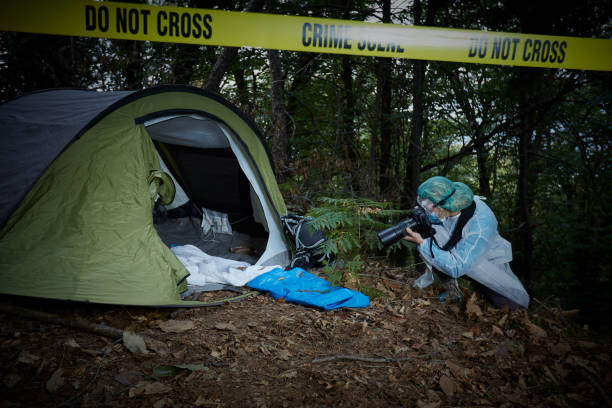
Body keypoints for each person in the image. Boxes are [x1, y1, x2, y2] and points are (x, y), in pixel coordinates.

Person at [403, 176, 529, 310]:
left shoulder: (480, 225)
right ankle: (452, 292)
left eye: (427, 207)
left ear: (443, 205)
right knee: (433, 243)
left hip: (485, 259)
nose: (424, 210)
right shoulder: (446, 205)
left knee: (504, 298)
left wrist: (423, 243)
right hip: (456, 250)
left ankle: (506, 309)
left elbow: (458, 266)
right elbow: (438, 230)